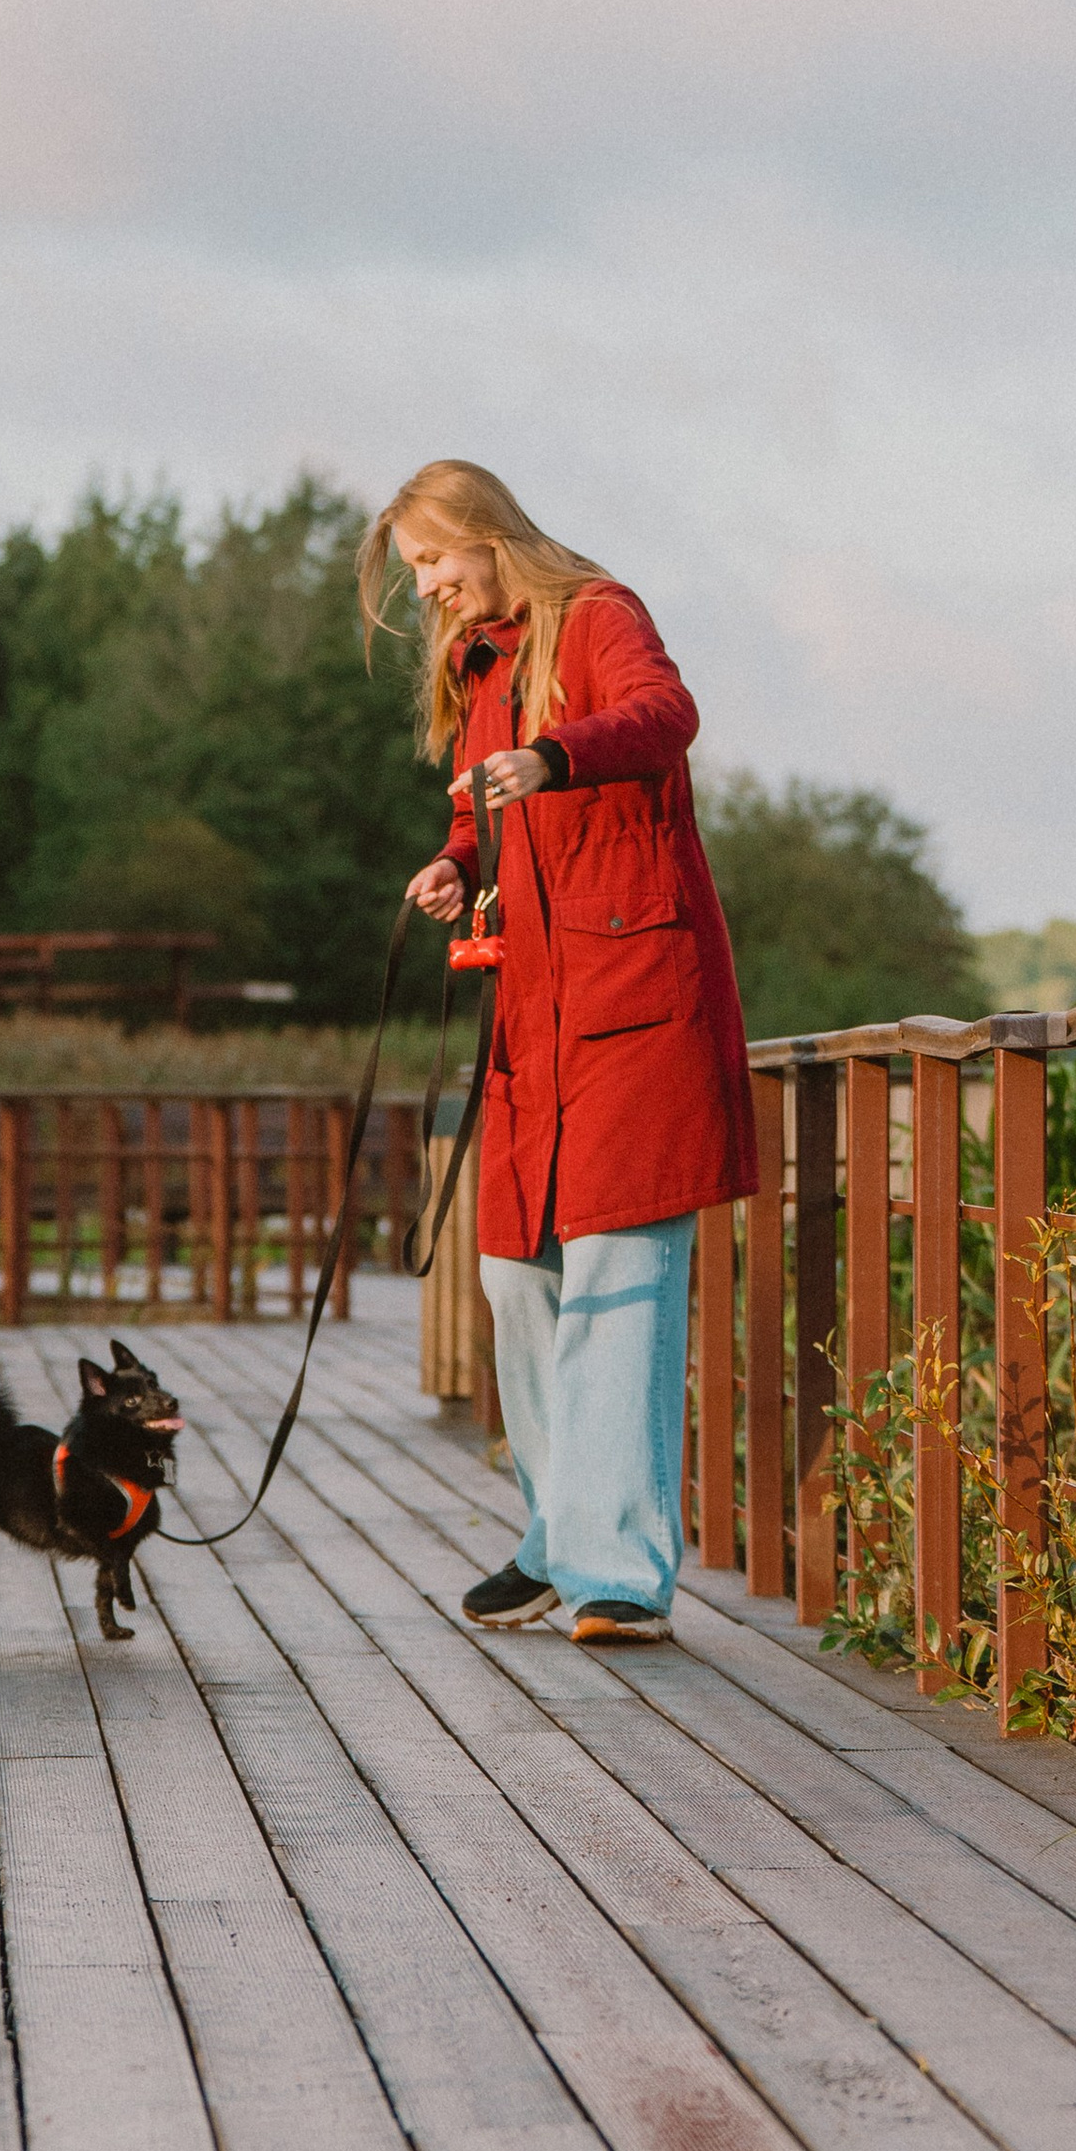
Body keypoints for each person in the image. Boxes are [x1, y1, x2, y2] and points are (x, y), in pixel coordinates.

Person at [359, 460, 757, 1644]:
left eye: (434, 559)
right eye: (416, 568)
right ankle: (556, 1537)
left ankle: (619, 1573)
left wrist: (557, 754)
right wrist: (458, 861)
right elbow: (483, 809)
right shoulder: (482, 666)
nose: (426, 586)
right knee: (514, 1277)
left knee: (617, 1284)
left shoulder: (596, 615)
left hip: (638, 1008)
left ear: (485, 534)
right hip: (534, 1015)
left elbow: (664, 717)